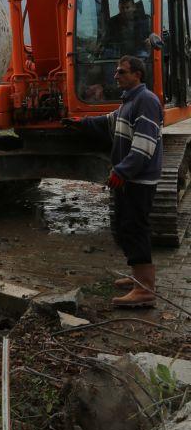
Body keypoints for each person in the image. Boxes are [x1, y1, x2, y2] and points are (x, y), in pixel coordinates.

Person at [67, 55, 163, 308]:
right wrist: (82, 124)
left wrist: (121, 171)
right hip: (130, 178)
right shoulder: (129, 102)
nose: (115, 75)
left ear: (137, 75)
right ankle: (139, 278)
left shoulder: (146, 101)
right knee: (124, 226)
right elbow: (110, 122)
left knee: (134, 227)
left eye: (121, 72)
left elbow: (144, 144)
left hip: (138, 180)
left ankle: (145, 290)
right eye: (116, 72)